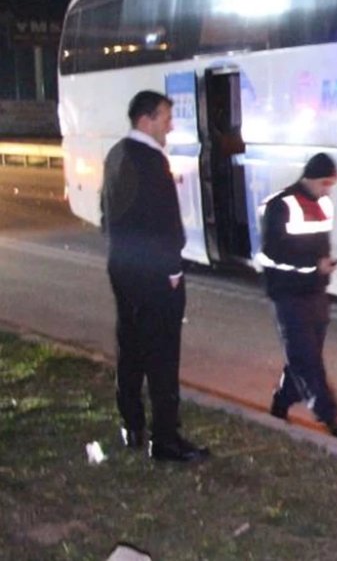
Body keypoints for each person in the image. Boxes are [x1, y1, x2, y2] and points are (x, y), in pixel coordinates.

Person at [102, 90, 209, 463]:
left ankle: (132, 424)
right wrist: (173, 270)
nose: (170, 125)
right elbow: (165, 223)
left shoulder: (116, 154)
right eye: (166, 117)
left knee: (130, 348)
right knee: (163, 356)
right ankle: (165, 439)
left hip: (123, 267)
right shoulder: (151, 161)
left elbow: (107, 213)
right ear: (146, 120)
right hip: (154, 275)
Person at [256, 153, 337, 442]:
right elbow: (271, 255)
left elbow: (319, 245)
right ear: (311, 177)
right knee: (306, 358)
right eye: (326, 183)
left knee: (304, 356)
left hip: (315, 293)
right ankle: (331, 419)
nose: (328, 191)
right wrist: (314, 266)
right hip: (287, 294)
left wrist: (323, 268)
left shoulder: (323, 204)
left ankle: (281, 402)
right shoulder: (280, 205)